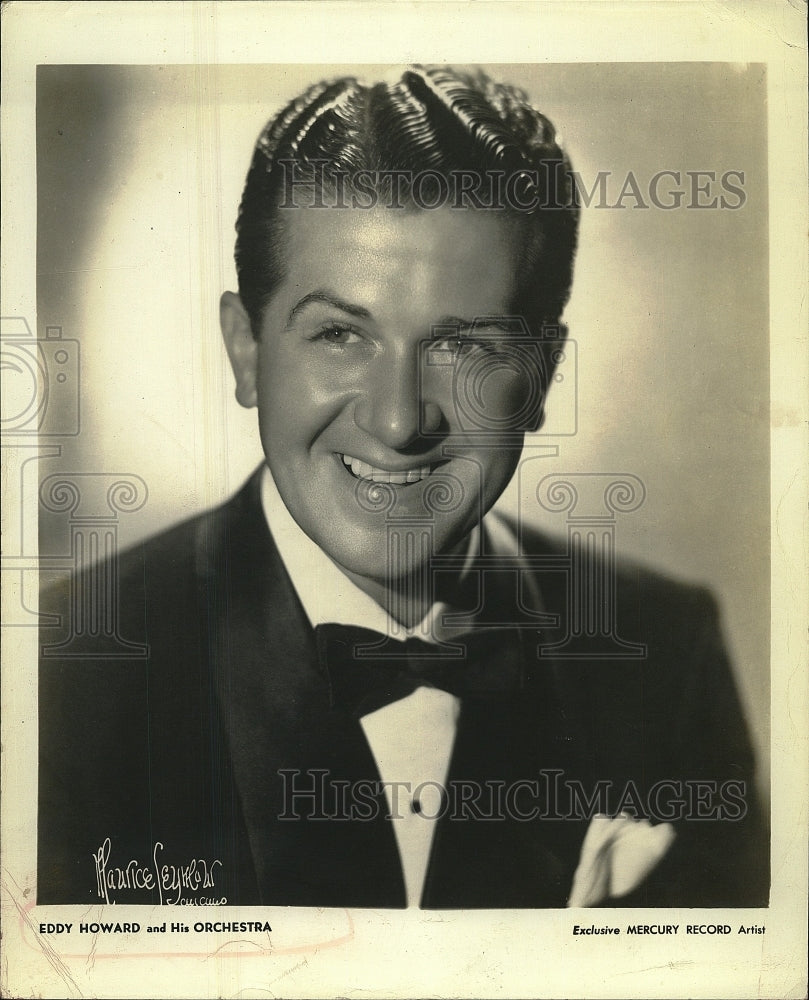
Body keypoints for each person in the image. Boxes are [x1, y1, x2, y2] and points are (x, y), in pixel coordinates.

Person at [38, 65, 767, 908]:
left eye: (464, 347)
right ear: (247, 352)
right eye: (341, 334)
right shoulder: (57, 678)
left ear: (540, 376)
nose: (396, 422)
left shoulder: (664, 653)